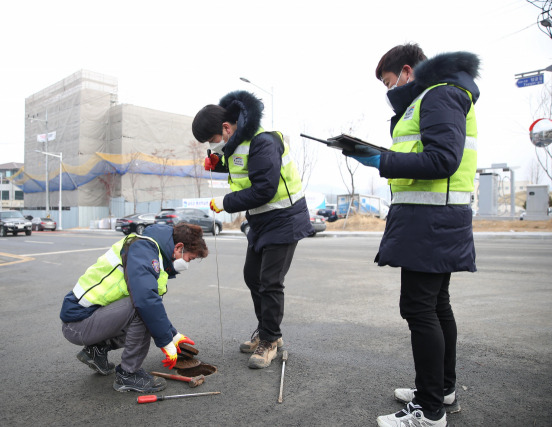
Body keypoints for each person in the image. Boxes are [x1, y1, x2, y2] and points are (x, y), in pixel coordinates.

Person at [343, 44, 480, 427]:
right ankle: (440, 390)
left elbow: (442, 159)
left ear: (407, 71)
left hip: (432, 221)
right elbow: (430, 154)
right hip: (435, 218)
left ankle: (429, 410)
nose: (389, 90)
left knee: (419, 309)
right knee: (436, 307)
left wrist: (381, 160)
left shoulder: (437, 94)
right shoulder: (439, 95)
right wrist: (380, 154)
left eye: (389, 82)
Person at [192, 90, 314, 369]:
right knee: (252, 276)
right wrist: (219, 162)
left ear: (225, 128)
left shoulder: (264, 141)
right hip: (261, 221)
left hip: (284, 217)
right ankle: (268, 332)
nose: (213, 147)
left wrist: (225, 202)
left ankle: (270, 341)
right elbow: (239, 164)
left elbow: (264, 189)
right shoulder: (236, 141)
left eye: (212, 141)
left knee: (270, 281)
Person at [60, 223, 208, 393]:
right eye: (189, 258)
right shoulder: (143, 250)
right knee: (142, 310)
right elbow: (146, 302)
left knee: (147, 311)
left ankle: (97, 350)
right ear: (178, 247)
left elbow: (153, 304)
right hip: (78, 324)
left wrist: (172, 334)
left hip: (88, 319)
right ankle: (128, 374)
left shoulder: (152, 251)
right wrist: (166, 342)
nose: (187, 264)